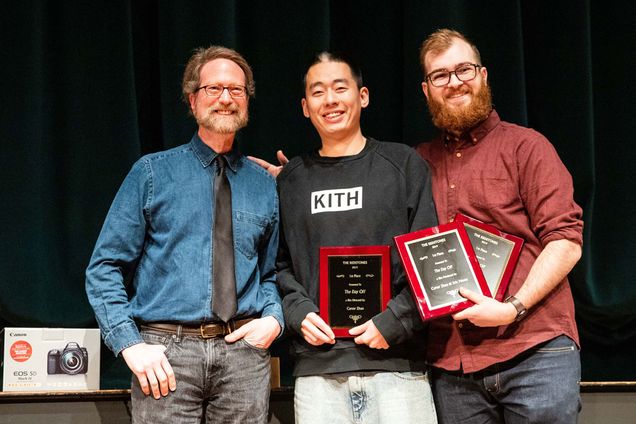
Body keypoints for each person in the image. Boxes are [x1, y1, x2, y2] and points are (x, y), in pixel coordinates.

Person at [85, 45, 283, 423]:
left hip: (243, 356)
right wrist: (129, 344)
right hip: (166, 355)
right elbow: (104, 267)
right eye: (214, 89)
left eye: (236, 90)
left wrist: (274, 317)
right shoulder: (152, 174)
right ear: (193, 101)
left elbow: (271, 273)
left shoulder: (263, 184)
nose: (226, 98)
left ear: (247, 102)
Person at [415, 29, 584, 423]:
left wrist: (513, 308)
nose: (454, 82)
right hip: (453, 363)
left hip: (536, 350)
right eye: (440, 75)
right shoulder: (415, 163)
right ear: (426, 90)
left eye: (464, 69)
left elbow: (565, 240)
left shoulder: (527, 147)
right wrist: (305, 182)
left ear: (484, 75)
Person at [272, 52, 438, 424]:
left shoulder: (404, 165)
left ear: (362, 96)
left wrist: (395, 321)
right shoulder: (290, 181)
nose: (329, 100)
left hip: (398, 368)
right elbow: (276, 266)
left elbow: (431, 262)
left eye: (340, 88)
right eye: (318, 92)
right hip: (318, 375)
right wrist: (298, 312)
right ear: (305, 107)